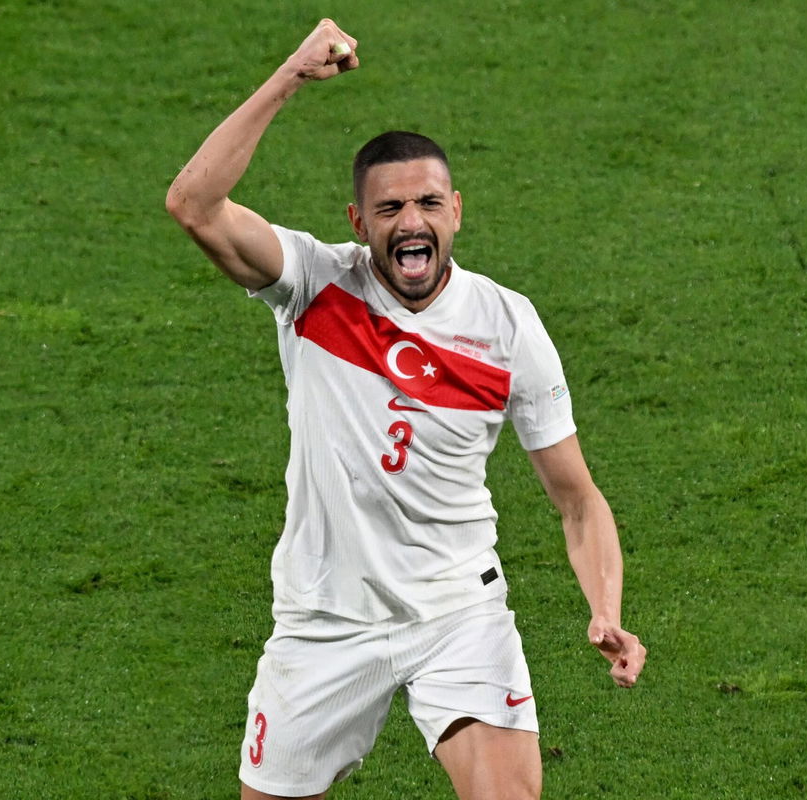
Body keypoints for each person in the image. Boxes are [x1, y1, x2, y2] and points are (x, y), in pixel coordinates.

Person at [165, 19, 646, 800]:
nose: (411, 221)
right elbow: (192, 201)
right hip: (325, 618)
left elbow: (577, 498)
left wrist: (606, 609)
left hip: (456, 611)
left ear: (456, 209)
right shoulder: (315, 285)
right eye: (389, 209)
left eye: (427, 202)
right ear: (360, 224)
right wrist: (290, 74)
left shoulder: (508, 325)